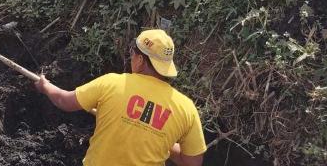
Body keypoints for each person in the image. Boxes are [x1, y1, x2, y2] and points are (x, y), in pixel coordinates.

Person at [34, 29, 207, 166]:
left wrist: (45, 86)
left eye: (132, 53)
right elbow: (192, 162)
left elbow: (65, 101)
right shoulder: (186, 108)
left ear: (140, 60)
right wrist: (163, 139)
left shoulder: (112, 83)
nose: (131, 57)